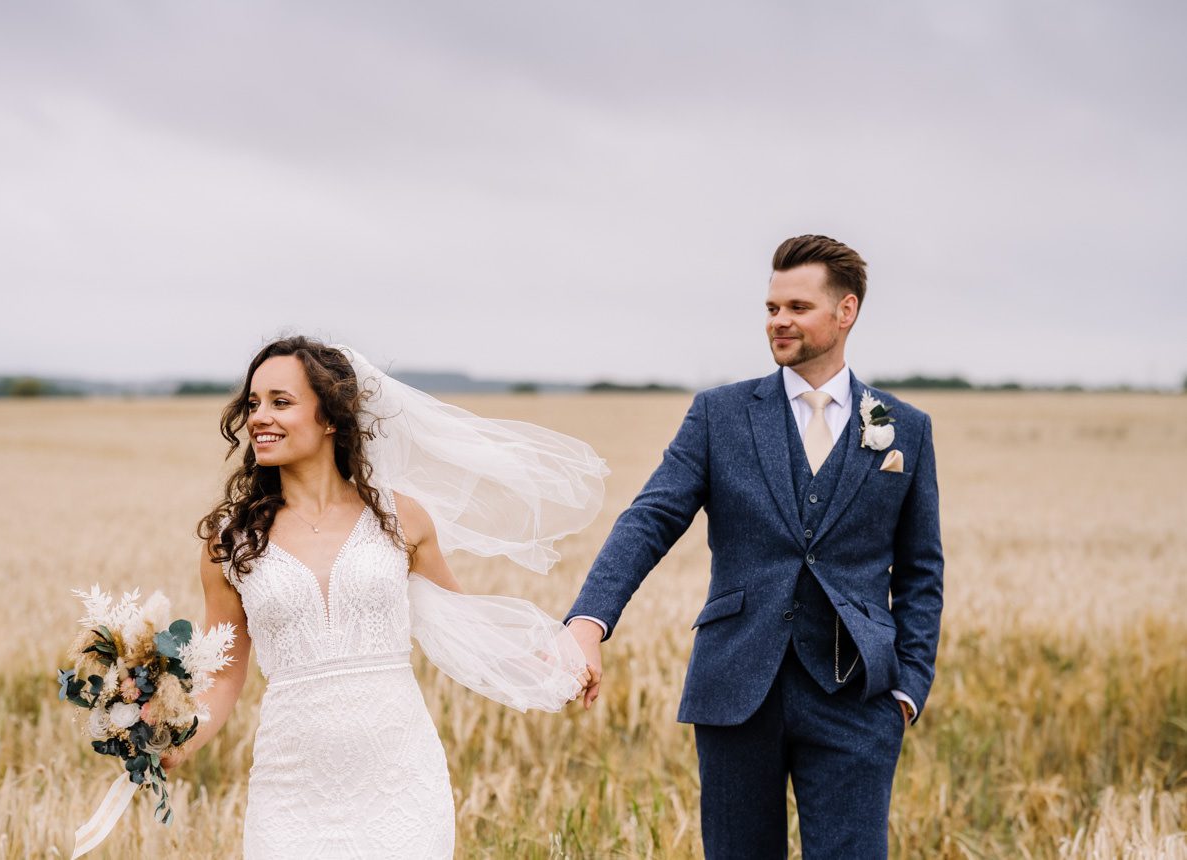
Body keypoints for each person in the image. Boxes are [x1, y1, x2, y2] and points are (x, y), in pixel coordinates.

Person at [566, 235, 944, 858]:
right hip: (735, 688)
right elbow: (652, 517)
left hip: (858, 696)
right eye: (771, 308)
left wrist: (906, 690)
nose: (778, 321)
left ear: (845, 312)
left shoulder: (906, 428)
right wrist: (589, 621)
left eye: (797, 306)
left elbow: (922, 569)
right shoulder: (720, 414)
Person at [164, 336, 603, 858]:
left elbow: (460, 623)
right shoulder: (230, 542)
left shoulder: (401, 519)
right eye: (253, 404)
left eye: (280, 402)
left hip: (401, 781)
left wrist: (558, 662)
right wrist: (175, 741)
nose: (259, 417)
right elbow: (223, 672)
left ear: (330, 418)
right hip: (290, 789)